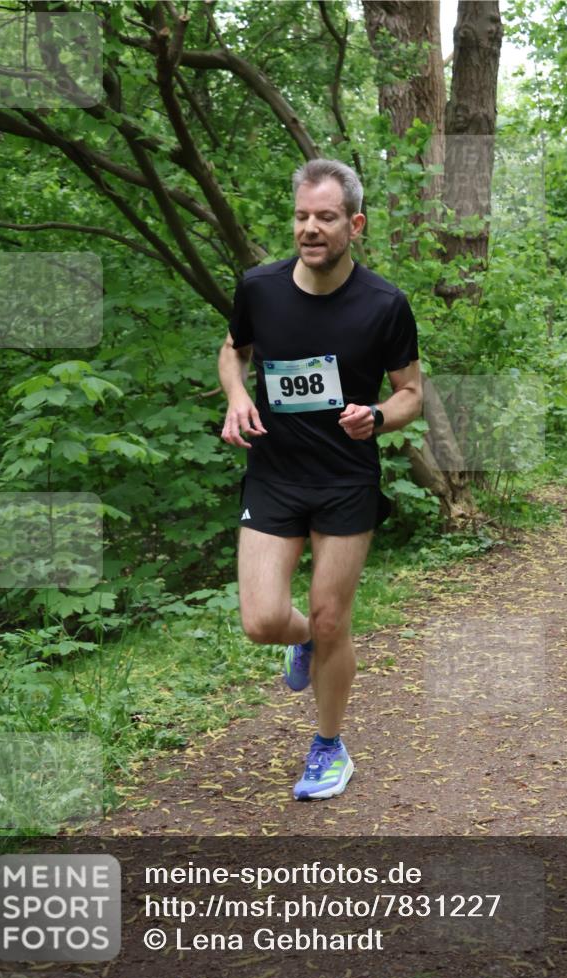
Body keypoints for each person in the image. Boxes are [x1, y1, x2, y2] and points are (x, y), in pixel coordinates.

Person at [217, 158, 422, 801]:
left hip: (345, 481)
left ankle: (329, 747)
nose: (310, 228)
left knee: (334, 618)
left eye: (326, 218)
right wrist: (235, 396)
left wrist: (379, 416)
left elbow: (412, 392)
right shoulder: (260, 288)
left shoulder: (386, 304)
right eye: (302, 216)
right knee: (262, 619)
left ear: (353, 225)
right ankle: (301, 641)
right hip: (274, 474)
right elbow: (234, 350)